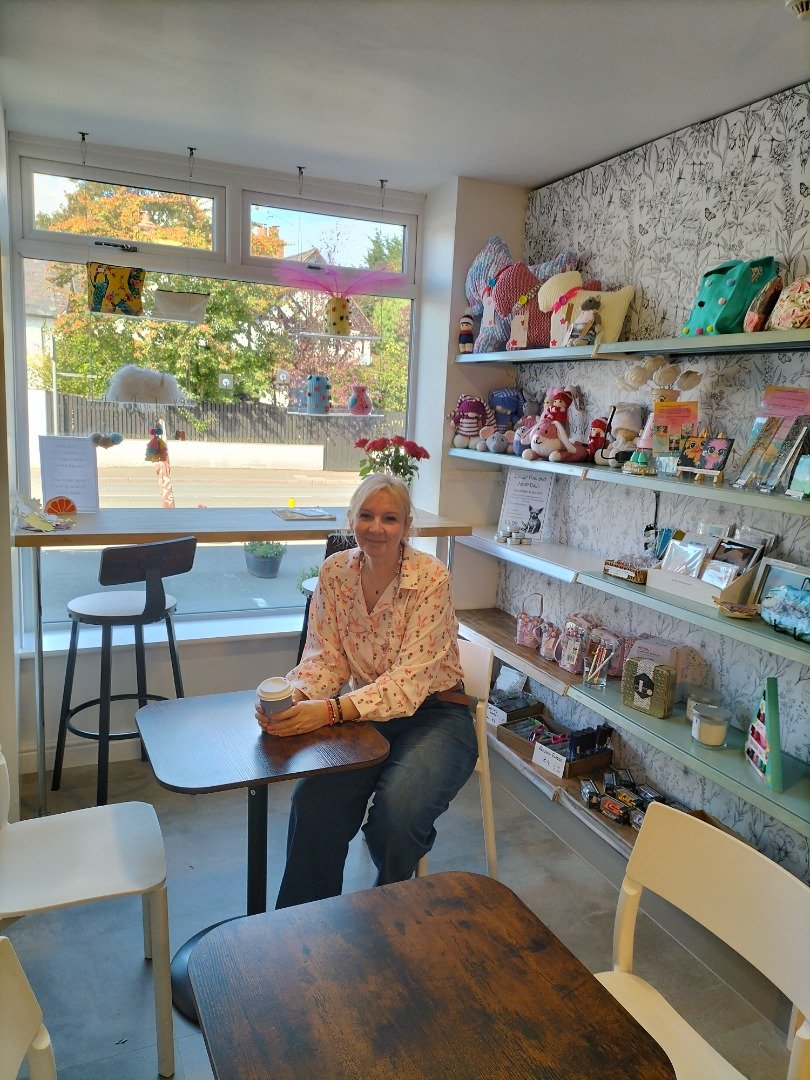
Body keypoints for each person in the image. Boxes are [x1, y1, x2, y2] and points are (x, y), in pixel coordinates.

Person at [256, 473, 477, 908]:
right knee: (313, 804)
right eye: (366, 515)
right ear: (351, 519)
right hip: (363, 712)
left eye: (390, 518)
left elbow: (409, 683)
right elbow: (326, 657)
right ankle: (304, 925)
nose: (376, 527)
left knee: (398, 814)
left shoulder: (431, 578)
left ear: (407, 526)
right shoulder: (335, 572)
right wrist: (295, 697)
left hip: (436, 713)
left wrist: (330, 711)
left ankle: (386, 913)